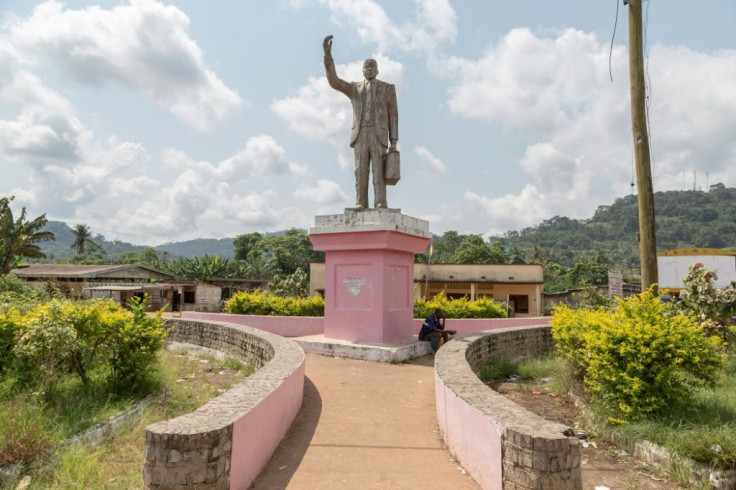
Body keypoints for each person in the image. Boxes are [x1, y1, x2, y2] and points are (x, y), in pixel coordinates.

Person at [323, 35, 398, 209]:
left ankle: (380, 201)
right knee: (360, 170)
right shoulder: (354, 89)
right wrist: (328, 56)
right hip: (360, 133)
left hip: (379, 134)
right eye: (366, 67)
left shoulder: (387, 89)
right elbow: (334, 82)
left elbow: (393, 116)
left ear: (377, 71)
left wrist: (394, 142)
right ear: (362, 70)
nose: (369, 69)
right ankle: (360, 202)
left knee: (379, 170)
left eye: (372, 67)